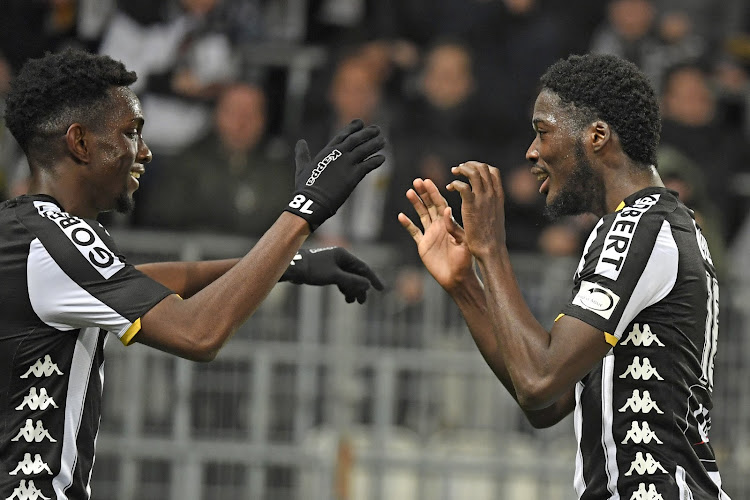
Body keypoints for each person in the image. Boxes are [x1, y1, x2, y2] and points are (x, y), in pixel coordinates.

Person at [0, 48, 386, 499]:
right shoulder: (53, 242)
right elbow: (199, 334)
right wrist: (302, 213)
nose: (144, 151)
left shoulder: (31, 234)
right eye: (130, 133)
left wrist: (292, 263)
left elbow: (143, 282)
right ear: (80, 142)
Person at [399, 53, 731, 499]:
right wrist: (466, 284)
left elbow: (539, 382)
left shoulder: (640, 228)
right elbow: (549, 400)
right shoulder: (639, 227)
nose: (531, 151)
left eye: (542, 130)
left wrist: (492, 249)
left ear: (596, 135)